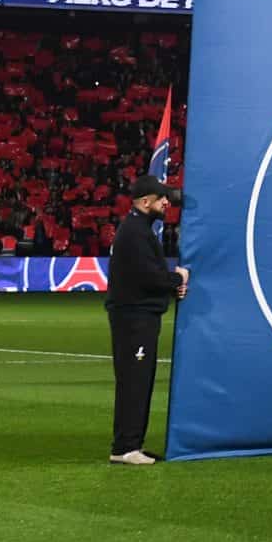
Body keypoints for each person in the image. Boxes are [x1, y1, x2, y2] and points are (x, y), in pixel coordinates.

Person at [105, 179, 189, 466]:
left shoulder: (136, 229)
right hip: (135, 318)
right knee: (135, 382)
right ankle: (126, 447)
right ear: (144, 202)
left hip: (136, 316)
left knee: (137, 381)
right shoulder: (135, 233)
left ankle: (129, 445)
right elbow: (149, 277)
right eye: (161, 198)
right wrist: (178, 279)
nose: (167, 203)